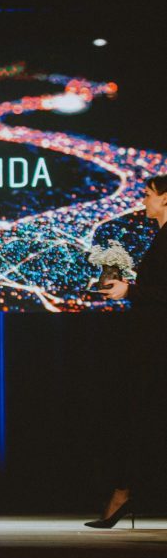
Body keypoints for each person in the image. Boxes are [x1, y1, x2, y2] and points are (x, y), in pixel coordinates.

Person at [88, 175, 167, 528]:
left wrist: (130, 291)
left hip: (157, 346)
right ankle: (125, 492)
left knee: (143, 417)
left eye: (148, 194)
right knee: (142, 418)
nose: (143, 200)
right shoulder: (160, 236)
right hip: (150, 343)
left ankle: (125, 493)